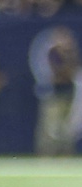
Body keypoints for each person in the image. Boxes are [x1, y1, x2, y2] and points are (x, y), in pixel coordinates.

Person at [31, 26, 82, 157]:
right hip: (54, 92)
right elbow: (58, 72)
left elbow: (73, 71)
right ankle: (47, 155)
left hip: (68, 92)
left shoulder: (71, 53)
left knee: (68, 126)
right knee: (51, 126)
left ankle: (65, 154)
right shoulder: (53, 53)